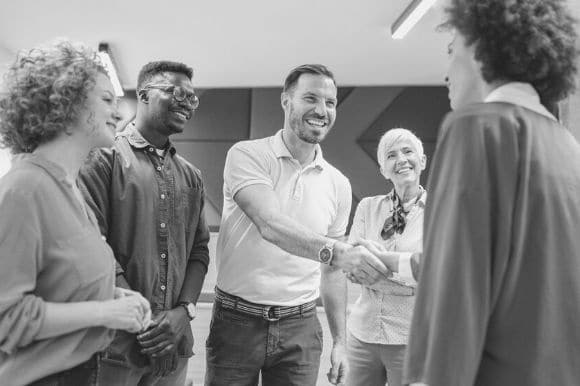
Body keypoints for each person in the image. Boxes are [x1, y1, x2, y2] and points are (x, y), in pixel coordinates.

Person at [403, 1, 580, 385]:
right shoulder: (568, 148)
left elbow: (454, 291)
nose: (447, 74)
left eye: (453, 53)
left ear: (482, 49)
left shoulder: (479, 128)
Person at [205, 64, 390, 386]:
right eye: (310, 98)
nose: (322, 110)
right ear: (286, 100)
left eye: (330, 103)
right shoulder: (249, 155)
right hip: (236, 321)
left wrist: (341, 343)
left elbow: (331, 272)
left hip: (301, 325)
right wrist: (342, 252)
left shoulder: (338, 184)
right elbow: (271, 224)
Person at [0, 39, 151, 386]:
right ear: (65, 104)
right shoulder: (25, 190)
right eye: (106, 100)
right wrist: (106, 311)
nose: (120, 113)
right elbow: (8, 317)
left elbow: (58, 285)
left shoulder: (69, 188)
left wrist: (113, 297)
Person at [78, 61, 210, 386]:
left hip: (175, 345)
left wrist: (183, 313)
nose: (185, 102)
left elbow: (199, 251)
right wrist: (147, 321)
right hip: (116, 345)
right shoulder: (102, 158)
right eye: (174, 91)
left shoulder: (191, 176)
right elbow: (92, 247)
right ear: (144, 95)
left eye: (191, 97)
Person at [344, 128, 426, 386]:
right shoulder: (368, 207)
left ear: (422, 161)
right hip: (362, 335)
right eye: (391, 155)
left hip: (411, 338)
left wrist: (376, 266)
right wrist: (408, 283)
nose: (401, 159)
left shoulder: (443, 211)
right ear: (383, 169)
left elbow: (436, 273)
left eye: (408, 151)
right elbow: (352, 267)